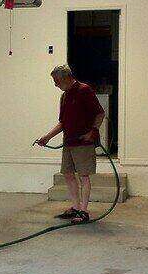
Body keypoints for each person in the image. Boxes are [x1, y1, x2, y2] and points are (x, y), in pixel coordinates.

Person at [35, 65, 105, 224]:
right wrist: (47, 137)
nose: (55, 84)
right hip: (69, 142)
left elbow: (100, 113)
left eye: (56, 81)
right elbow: (63, 123)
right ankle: (75, 207)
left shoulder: (84, 90)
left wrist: (93, 131)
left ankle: (84, 211)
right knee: (67, 174)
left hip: (83, 143)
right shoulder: (64, 96)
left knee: (84, 175)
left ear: (66, 78)